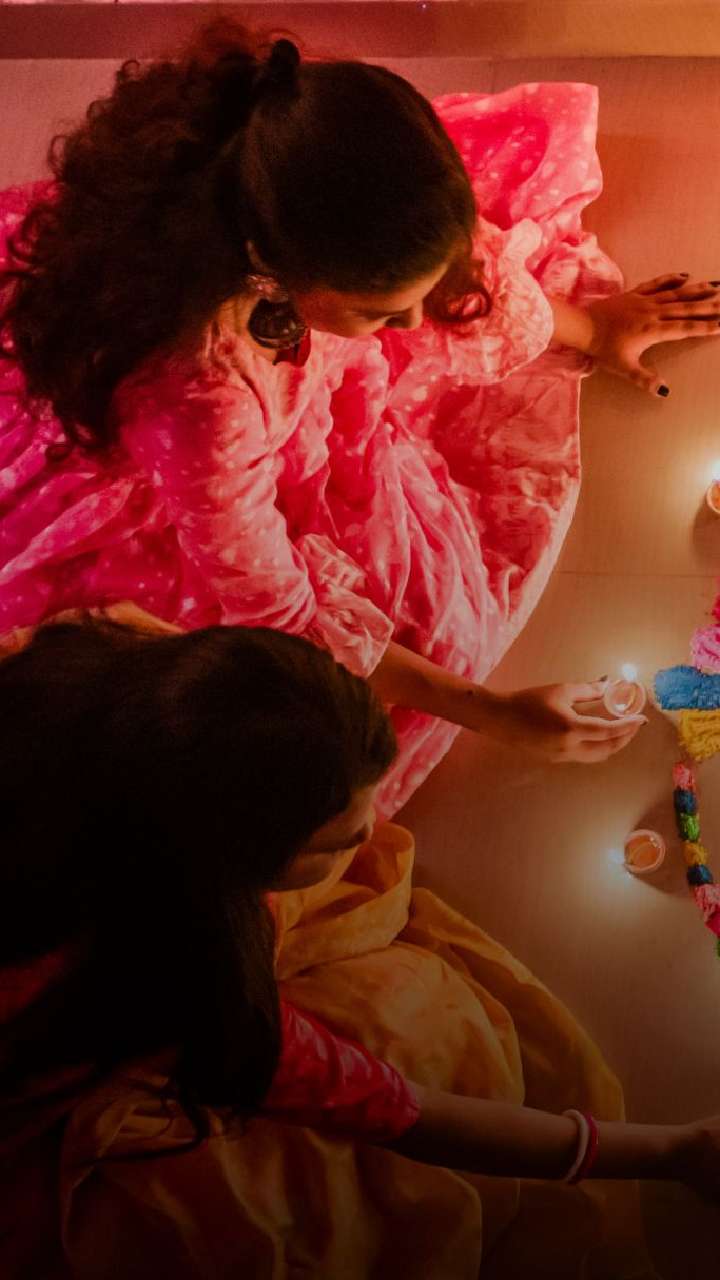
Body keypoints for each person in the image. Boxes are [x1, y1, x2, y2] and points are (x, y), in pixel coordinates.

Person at [3, 17, 719, 819]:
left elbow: (467, 279)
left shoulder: (321, 184)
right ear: (271, 274)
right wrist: (494, 711)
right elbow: (283, 616)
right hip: (183, 479)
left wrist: (597, 329)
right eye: (381, 312)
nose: (411, 330)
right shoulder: (202, 402)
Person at [0, 601, 717, 1279]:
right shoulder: (177, 983)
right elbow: (408, 1112)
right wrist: (674, 1152)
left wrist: (495, 710)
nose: (375, 831)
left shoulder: (120, 673)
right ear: (228, 868)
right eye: (339, 840)